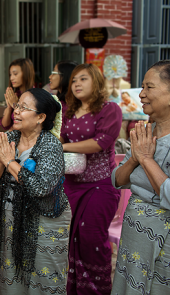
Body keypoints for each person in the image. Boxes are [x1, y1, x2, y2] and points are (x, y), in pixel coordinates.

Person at [0, 88, 71, 294]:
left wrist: (9, 161)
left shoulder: (51, 145)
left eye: (24, 108)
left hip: (44, 220)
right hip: (12, 218)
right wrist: (0, 159)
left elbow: (40, 187)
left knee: (43, 278)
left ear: (41, 117)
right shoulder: (10, 137)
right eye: (17, 106)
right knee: (11, 276)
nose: (16, 111)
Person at [61, 63, 122, 294]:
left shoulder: (110, 109)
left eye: (83, 79)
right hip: (70, 184)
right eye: (74, 80)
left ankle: (96, 291)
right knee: (71, 241)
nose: (76, 83)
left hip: (100, 186)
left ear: (96, 82)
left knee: (91, 239)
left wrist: (64, 146)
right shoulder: (67, 110)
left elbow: (101, 142)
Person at [111, 60, 170, 295]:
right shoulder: (146, 132)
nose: (141, 94)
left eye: (149, 87)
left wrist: (146, 159)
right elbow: (117, 179)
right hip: (134, 234)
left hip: (162, 239)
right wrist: (136, 158)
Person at [0, 58, 35, 131]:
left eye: (15, 74)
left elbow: (28, 123)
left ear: (26, 73)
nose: (11, 78)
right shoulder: (15, 95)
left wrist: (15, 105)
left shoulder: (34, 96)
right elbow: (5, 125)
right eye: (10, 74)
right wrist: (9, 107)